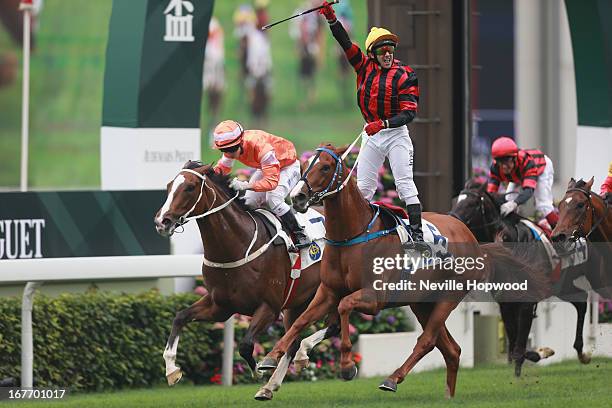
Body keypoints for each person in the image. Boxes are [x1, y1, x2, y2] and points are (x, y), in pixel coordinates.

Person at [318, 1, 427, 252]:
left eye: (390, 49)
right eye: (382, 50)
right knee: (363, 189)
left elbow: (409, 113)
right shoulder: (363, 66)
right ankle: (354, 237)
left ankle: (418, 237)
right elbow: (345, 42)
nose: (388, 54)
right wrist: (331, 17)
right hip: (372, 133)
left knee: (404, 184)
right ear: (372, 54)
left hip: (395, 134)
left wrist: (384, 124)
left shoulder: (405, 74)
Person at [212, 120, 311, 249]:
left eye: (231, 149)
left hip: (288, 166)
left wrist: (246, 185)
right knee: (249, 202)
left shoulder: (262, 148)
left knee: (273, 199)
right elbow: (221, 170)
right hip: (267, 167)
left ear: (241, 142)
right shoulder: (232, 146)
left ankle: (300, 233)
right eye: (224, 150)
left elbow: (271, 182)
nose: (229, 154)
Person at [486, 136, 558, 231]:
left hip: (541, 168)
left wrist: (515, 203)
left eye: (507, 161)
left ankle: (562, 237)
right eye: (500, 162)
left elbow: (528, 191)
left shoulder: (527, 162)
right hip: (518, 175)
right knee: (508, 200)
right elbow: (490, 194)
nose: (504, 166)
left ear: (514, 158)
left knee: (543, 205)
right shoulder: (495, 168)